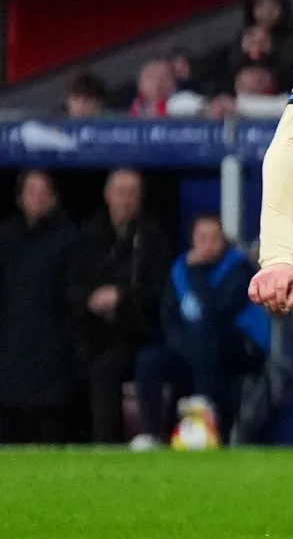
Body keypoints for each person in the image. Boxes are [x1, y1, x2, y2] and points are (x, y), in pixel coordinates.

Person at [133, 216, 267, 449]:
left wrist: (197, 273)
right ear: (192, 240)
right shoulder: (179, 270)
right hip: (194, 348)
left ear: (223, 241)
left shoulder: (238, 268)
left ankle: (203, 411)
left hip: (240, 345)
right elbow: (169, 319)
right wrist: (184, 345)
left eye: (214, 239)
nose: (208, 244)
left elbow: (215, 311)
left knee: (205, 334)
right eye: (202, 238)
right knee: (150, 360)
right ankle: (150, 434)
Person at [69, 169, 170, 444]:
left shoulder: (152, 239)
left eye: (133, 194)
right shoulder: (87, 236)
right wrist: (91, 300)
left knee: (105, 370)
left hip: (136, 334)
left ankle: (107, 445)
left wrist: (121, 297)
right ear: (107, 195)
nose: (126, 200)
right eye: (121, 193)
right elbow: (71, 287)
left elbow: (159, 295)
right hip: (89, 331)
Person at [0, 172, 78, 443]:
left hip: (52, 348)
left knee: (49, 428)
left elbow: (72, 294)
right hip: (10, 345)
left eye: (43, 192)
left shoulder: (69, 239)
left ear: (54, 198)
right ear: (20, 198)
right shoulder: (5, 238)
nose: (37, 198)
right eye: (31, 191)